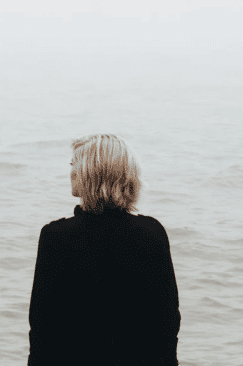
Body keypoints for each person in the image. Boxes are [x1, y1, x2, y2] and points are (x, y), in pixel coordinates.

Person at [28, 133, 180, 366]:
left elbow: (43, 326)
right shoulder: (151, 233)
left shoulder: (57, 236)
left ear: (92, 173)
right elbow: (166, 322)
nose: (70, 173)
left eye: (74, 165)